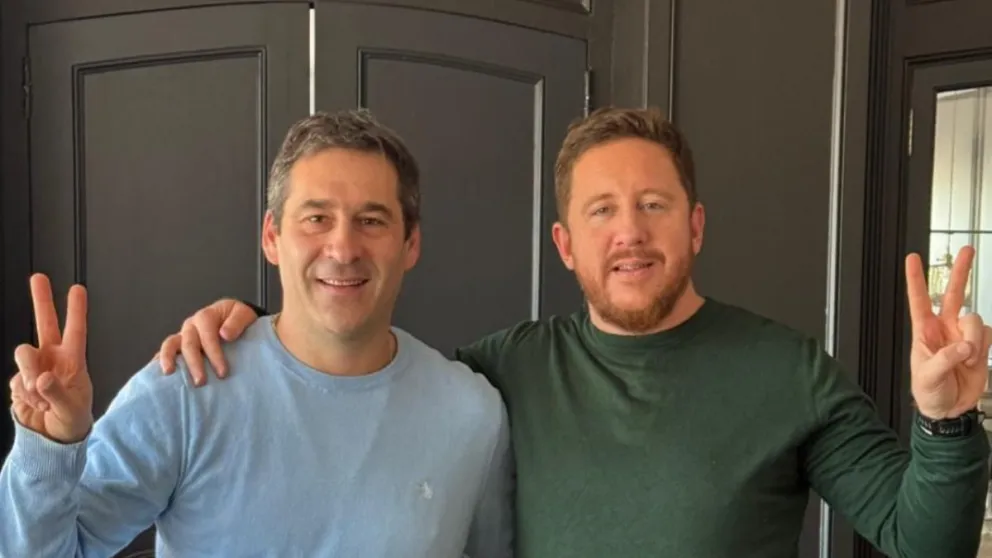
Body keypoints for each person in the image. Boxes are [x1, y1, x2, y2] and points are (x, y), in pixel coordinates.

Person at [156, 107, 991, 558]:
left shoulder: (789, 370)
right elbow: (363, 375)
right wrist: (260, 325)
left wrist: (947, 422)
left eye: (653, 205)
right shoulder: (503, 369)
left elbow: (924, 541)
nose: (629, 232)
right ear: (565, 244)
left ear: (695, 225)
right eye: (601, 211)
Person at [1, 110, 513, 557]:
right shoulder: (188, 387)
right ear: (272, 236)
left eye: (372, 221)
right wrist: (49, 447)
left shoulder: (472, 414)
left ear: (411, 243)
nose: (342, 248)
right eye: (316, 218)